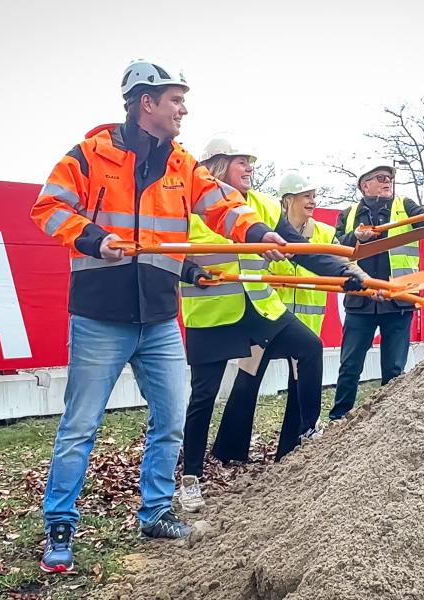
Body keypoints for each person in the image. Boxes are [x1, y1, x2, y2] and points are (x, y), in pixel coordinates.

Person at [29, 60, 291, 574]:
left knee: (171, 418)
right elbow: (49, 207)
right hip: (99, 316)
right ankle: (60, 525)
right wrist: (93, 238)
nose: (183, 109)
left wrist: (259, 234)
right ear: (145, 102)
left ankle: (154, 513)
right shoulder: (88, 155)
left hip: (160, 319)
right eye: (175, 100)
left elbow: (223, 205)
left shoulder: (183, 165)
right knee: (80, 426)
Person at [178, 146, 365, 513]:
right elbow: (169, 254)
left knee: (309, 347)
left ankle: (307, 431)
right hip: (212, 315)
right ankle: (191, 477)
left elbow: (303, 250)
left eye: (250, 164)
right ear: (218, 165)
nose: (249, 169)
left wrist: (344, 272)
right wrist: (190, 271)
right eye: (241, 162)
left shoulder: (261, 205)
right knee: (203, 397)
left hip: (260, 308)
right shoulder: (188, 207)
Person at [205, 171, 335, 472]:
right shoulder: (269, 226)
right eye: (306, 196)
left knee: (298, 385)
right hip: (268, 317)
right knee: (247, 379)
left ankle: (291, 449)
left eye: (314, 196)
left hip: (302, 323)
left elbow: (335, 259)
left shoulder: (325, 233)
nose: (312, 202)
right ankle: (229, 450)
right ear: (288, 200)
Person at [328, 160, 424, 420]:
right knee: (350, 366)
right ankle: (339, 418)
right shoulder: (348, 214)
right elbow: (334, 247)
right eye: (380, 177)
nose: (387, 181)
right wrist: (356, 238)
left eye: (389, 178)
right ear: (364, 185)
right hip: (361, 301)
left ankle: (386, 422)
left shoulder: (405, 206)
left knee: (394, 369)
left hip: (399, 301)